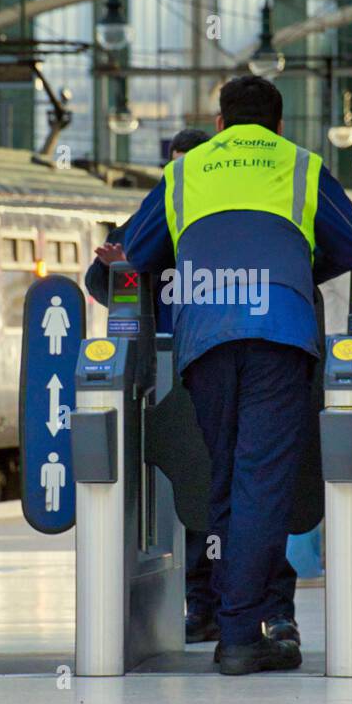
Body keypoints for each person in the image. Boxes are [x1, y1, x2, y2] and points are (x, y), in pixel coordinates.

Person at [123, 76, 352, 675]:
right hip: (278, 331)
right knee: (261, 479)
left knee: (225, 477)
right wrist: (298, 263)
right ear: (279, 125)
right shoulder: (300, 166)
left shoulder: (186, 172)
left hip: (203, 337)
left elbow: (135, 251)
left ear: (219, 124)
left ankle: (231, 617)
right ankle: (239, 634)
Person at [85, 128, 224, 644]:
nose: (178, 178)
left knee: (200, 492)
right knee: (171, 490)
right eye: (173, 169)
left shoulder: (218, 221)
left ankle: (207, 603)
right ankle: (192, 603)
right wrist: (120, 269)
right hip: (158, 368)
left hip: (200, 364)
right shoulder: (151, 212)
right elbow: (99, 282)